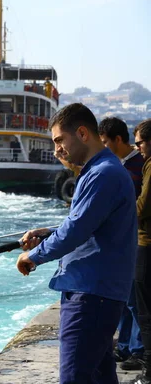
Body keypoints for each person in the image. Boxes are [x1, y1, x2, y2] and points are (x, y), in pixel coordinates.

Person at [16, 103, 137, 384]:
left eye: (60, 140)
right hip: (96, 291)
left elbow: (76, 229)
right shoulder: (102, 170)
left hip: (91, 294)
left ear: (82, 133)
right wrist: (48, 232)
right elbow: (88, 224)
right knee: (99, 376)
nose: (57, 149)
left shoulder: (103, 174)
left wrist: (34, 255)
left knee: (74, 377)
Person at [99, 117, 145, 370]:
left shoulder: (138, 166)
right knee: (125, 298)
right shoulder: (118, 165)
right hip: (123, 240)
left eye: (106, 142)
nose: (104, 147)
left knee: (134, 299)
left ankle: (137, 349)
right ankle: (125, 346)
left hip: (136, 240)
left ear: (118, 139)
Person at [133, 119, 151, 383]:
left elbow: (143, 206)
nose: (137, 148)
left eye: (140, 142)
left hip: (146, 245)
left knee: (144, 309)